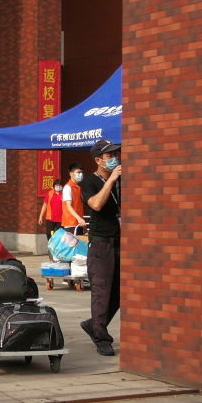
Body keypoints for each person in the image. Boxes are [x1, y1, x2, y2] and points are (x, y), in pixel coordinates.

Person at [80, 139, 122, 357]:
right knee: (102, 292)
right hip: (100, 245)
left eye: (117, 153)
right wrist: (111, 180)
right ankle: (101, 337)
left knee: (120, 293)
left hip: (121, 243)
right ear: (98, 160)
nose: (115, 158)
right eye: (110, 156)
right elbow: (95, 204)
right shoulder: (90, 182)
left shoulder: (123, 181)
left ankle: (94, 324)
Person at [61, 163, 88, 235]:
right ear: (71, 174)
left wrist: (84, 227)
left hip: (78, 223)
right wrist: (79, 219)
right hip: (70, 224)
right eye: (78, 172)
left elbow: (80, 208)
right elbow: (68, 206)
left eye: (81, 172)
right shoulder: (68, 187)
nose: (81, 174)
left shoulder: (78, 188)